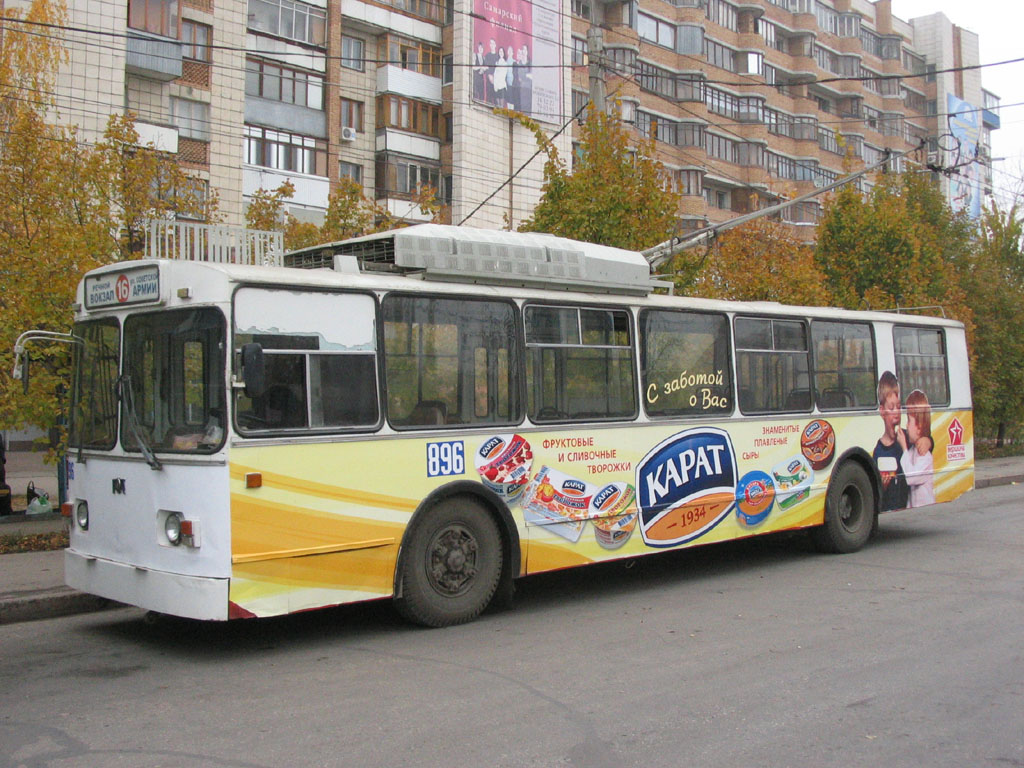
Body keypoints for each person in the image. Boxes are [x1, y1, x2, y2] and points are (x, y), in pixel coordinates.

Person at [873, 370, 909, 511]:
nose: (896, 413)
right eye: (891, 408)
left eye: (899, 407)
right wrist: (882, 486)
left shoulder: (905, 439)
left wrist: (905, 446)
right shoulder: (879, 450)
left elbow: (926, 441)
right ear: (882, 411)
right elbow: (877, 492)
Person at [898, 389, 935, 507]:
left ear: (919, 426)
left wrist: (903, 447)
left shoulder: (925, 455)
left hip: (926, 510)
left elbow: (911, 478)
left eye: (909, 421)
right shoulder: (913, 449)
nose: (906, 425)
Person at [483, 39, 499, 104]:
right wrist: (489, 76)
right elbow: (486, 67)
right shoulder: (487, 56)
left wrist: (495, 77)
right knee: (489, 98)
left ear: (495, 45)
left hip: (497, 80)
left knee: (497, 99)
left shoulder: (498, 56)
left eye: (493, 43)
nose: (492, 45)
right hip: (489, 81)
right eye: (490, 43)